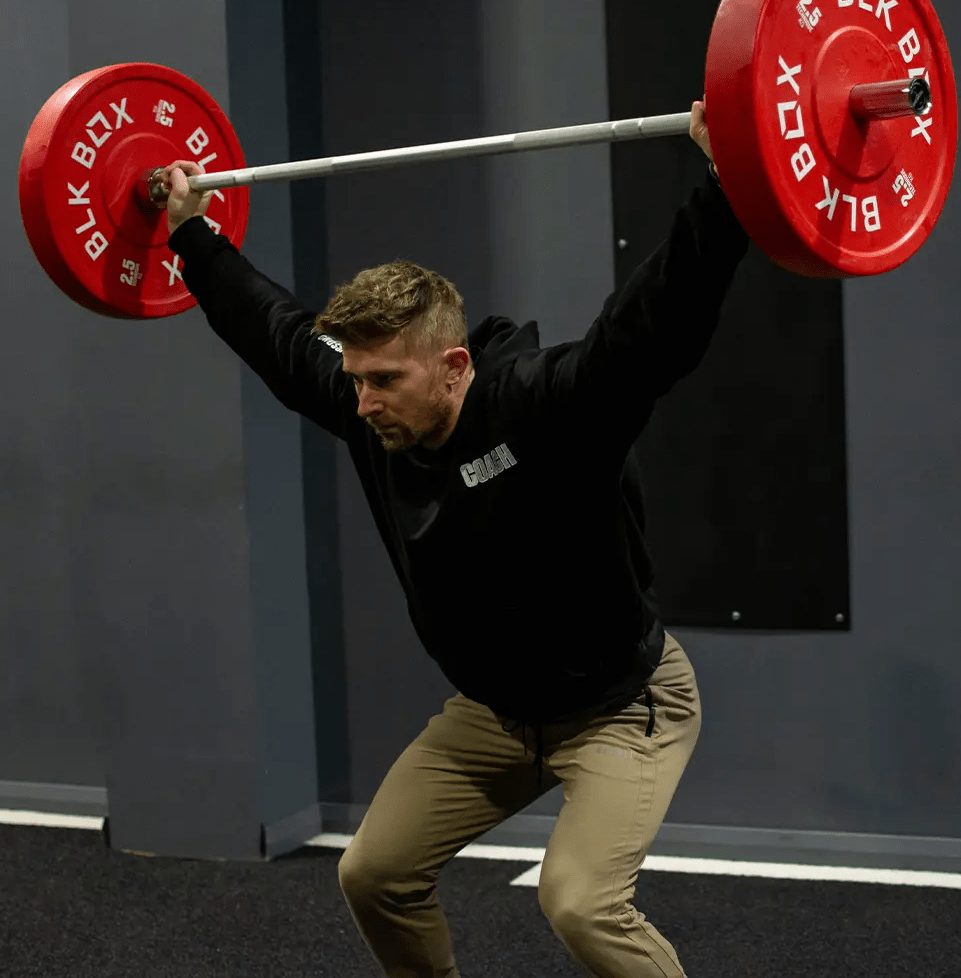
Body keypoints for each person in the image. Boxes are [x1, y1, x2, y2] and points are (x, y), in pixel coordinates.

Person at [159, 99, 749, 978]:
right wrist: (191, 235)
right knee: (374, 873)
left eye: (384, 381)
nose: (362, 403)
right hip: (498, 715)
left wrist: (726, 190)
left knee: (581, 903)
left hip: (619, 706)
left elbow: (649, 332)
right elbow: (278, 338)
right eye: (355, 379)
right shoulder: (369, 408)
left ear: (454, 366)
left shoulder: (545, 408)